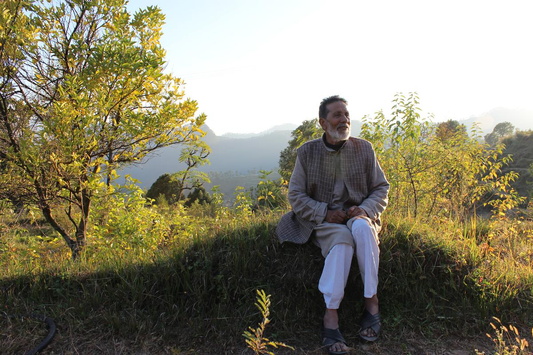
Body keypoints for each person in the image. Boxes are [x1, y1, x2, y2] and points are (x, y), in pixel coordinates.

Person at [276, 95, 389, 354]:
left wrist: (366, 209)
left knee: (361, 229)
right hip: (324, 221)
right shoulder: (307, 152)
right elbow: (295, 195)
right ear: (323, 123)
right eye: (337, 115)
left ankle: (372, 302)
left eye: (346, 114)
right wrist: (324, 212)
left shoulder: (364, 148)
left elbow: (381, 187)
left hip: (359, 215)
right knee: (342, 244)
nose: (344, 119)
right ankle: (331, 316)